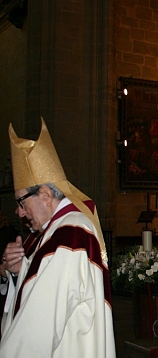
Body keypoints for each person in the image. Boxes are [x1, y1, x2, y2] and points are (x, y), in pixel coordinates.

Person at [0, 118, 115, 357]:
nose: (19, 212)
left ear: (44, 195)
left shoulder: (69, 236)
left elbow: (38, 326)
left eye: (21, 202)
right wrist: (17, 270)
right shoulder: (54, 232)